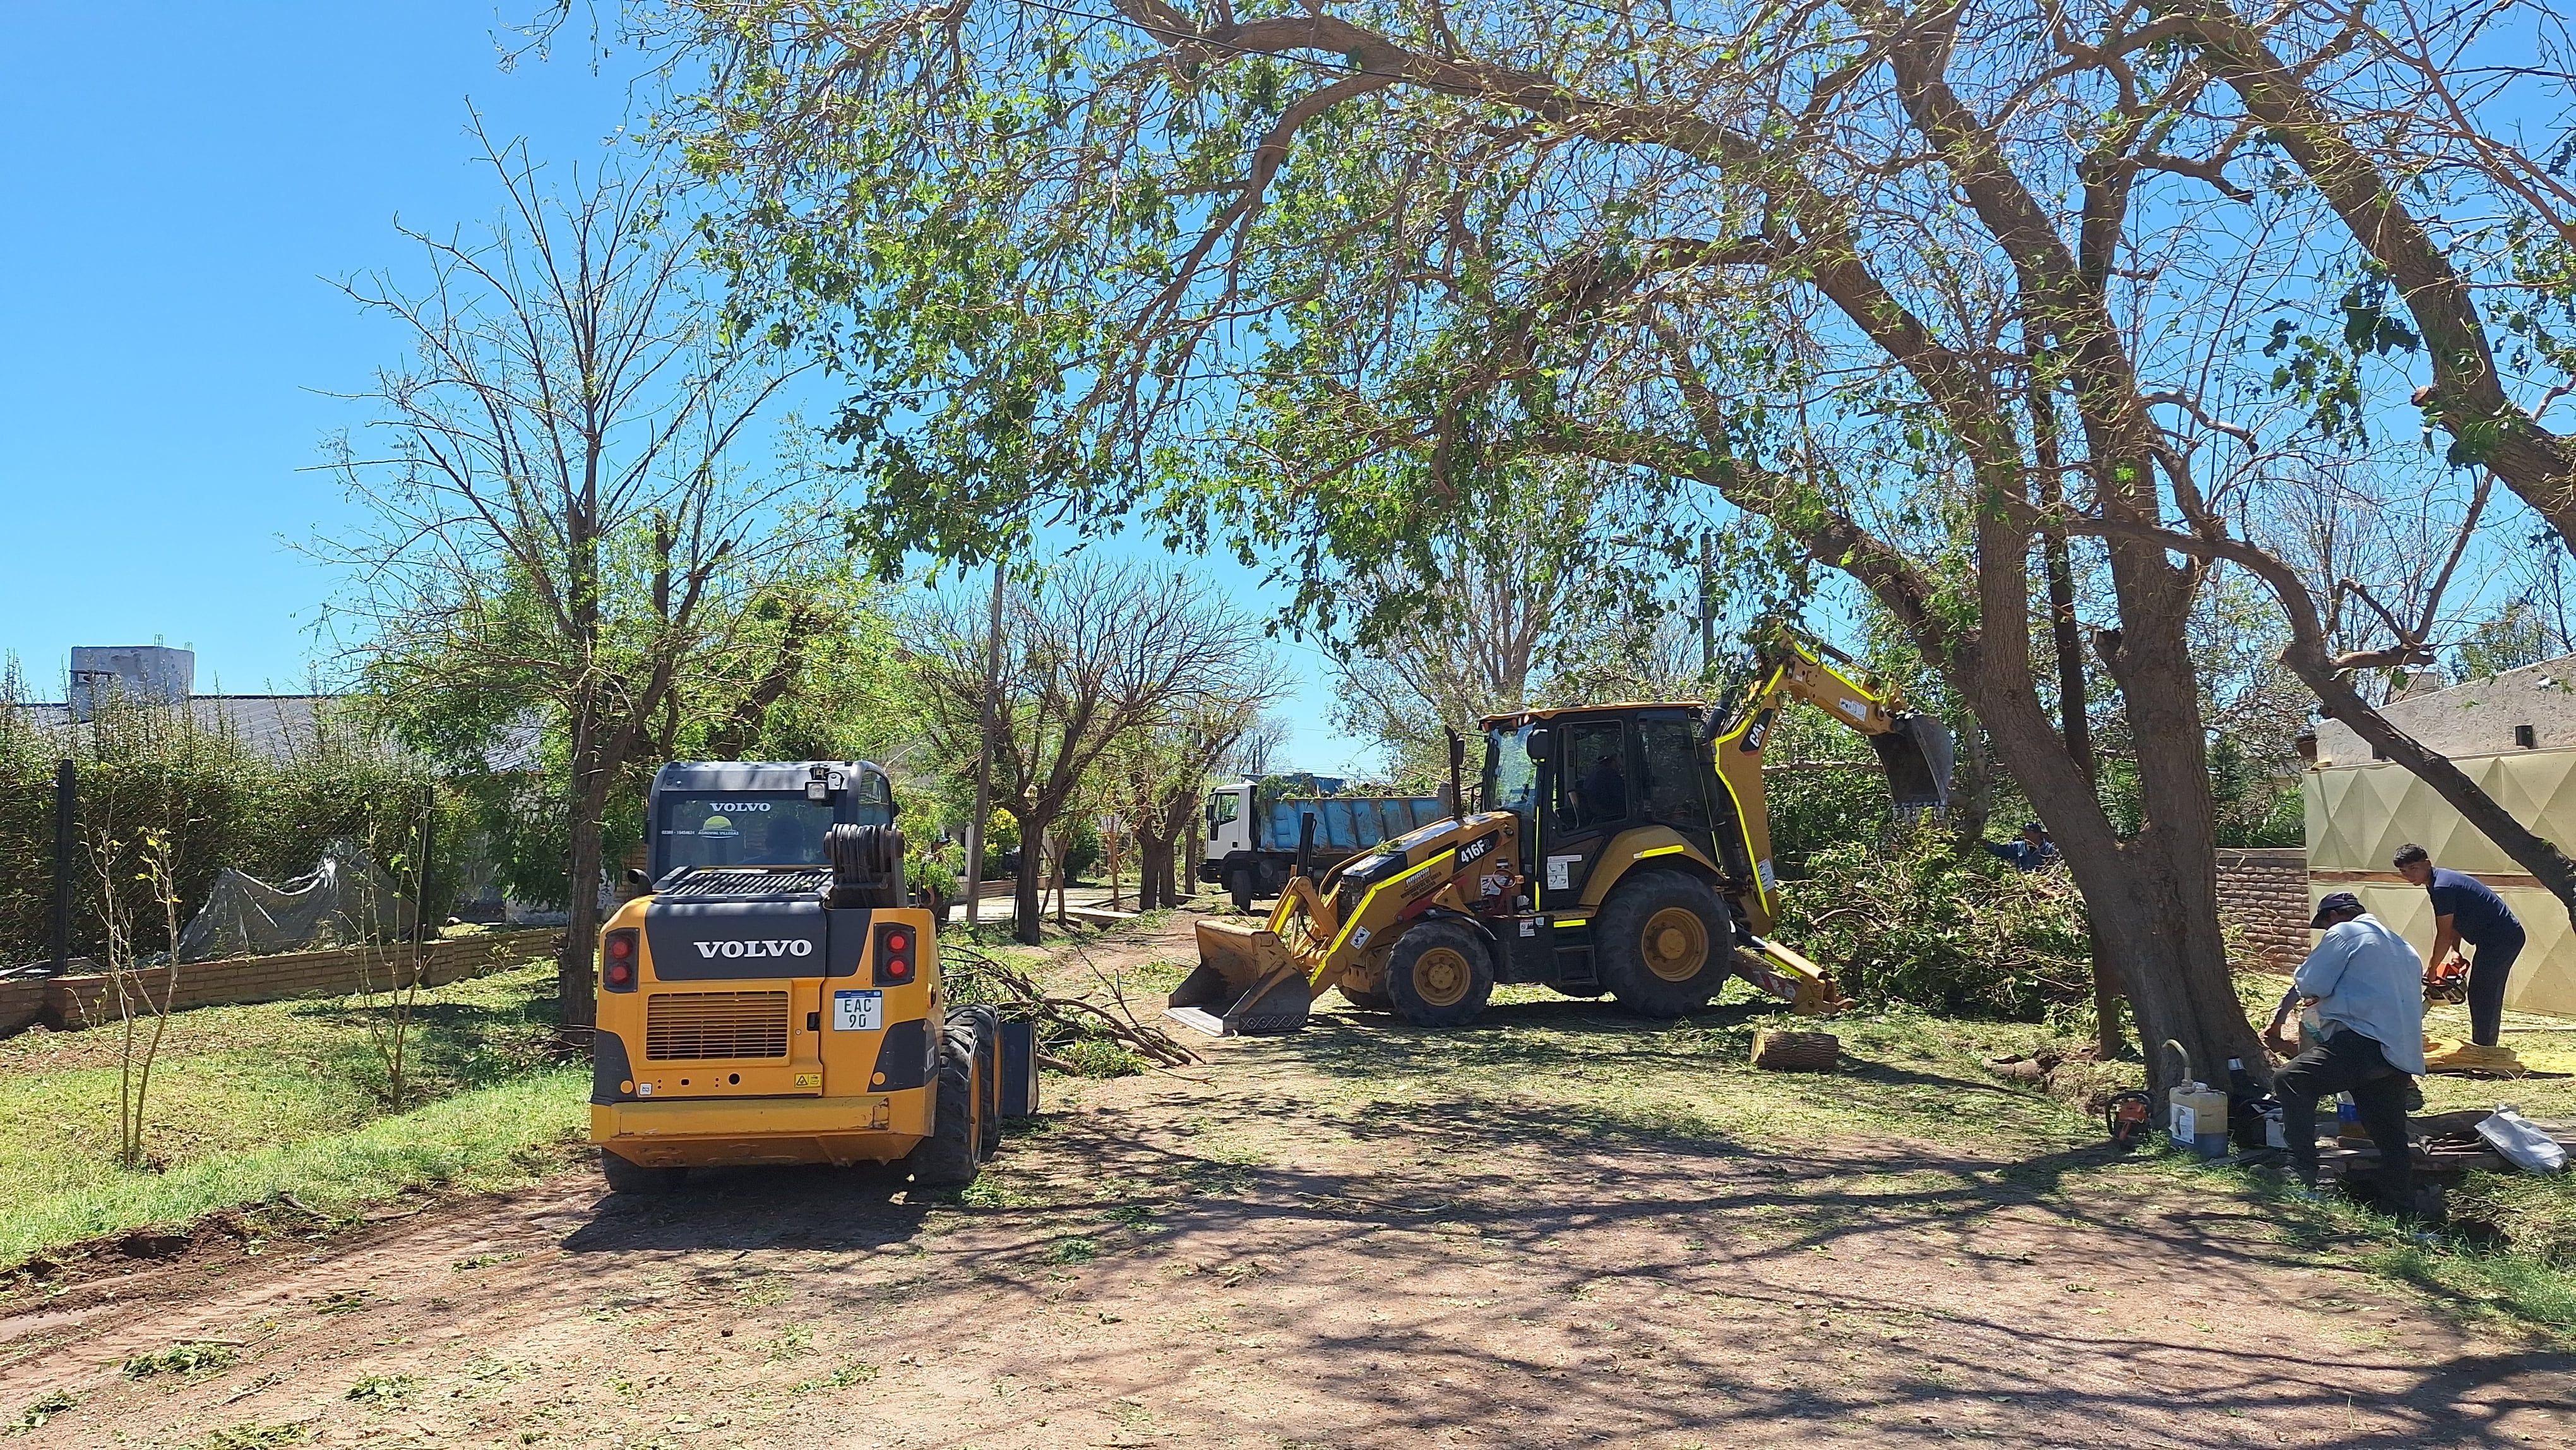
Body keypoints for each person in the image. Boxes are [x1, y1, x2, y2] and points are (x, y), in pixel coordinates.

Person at [2262, 892, 2425, 1214]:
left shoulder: (2345, 933)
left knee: (2291, 1079)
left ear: (2335, 916)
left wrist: (2283, 1019)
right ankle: (2401, 1205)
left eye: (2325, 925)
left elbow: (2311, 984)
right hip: (2398, 1051)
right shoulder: (2402, 946)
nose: (2326, 931)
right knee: (2388, 1130)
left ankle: (2300, 1169)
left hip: (2362, 1039)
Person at [2393, 843, 2525, 1069]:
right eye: (2404, 872)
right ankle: (2484, 1044)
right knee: (2482, 990)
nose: (2409, 875)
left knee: (2483, 991)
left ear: (2427, 863)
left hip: (2504, 937)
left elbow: (2443, 934)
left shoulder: (2442, 886)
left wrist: (2433, 968)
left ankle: (2485, 1051)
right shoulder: (2436, 883)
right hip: (2490, 938)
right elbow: (2453, 924)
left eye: (2413, 868)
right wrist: (2455, 951)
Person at [1983, 822, 2056, 871]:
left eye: (2028, 833)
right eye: (2024, 832)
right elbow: (2002, 850)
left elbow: (2055, 867)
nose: (2025, 835)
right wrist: (1987, 845)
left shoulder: (2049, 849)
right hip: (2023, 884)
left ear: (2037, 834)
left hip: (2043, 886)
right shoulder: (2018, 846)